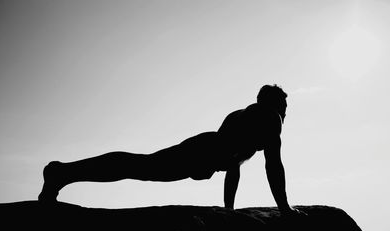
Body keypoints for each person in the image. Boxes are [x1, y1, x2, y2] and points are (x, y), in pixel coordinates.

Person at [39, 84, 302, 216]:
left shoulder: (242, 115)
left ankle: (62, 174)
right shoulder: (271, 117)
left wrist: (229, 211)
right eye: (286, 110)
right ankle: (61, 172)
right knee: (138, 166)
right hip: (200, 153)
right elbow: (273, 165)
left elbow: (232, 165)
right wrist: (285, 210)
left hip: (202, 148)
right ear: (278, 105)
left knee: (140, 166)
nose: (286, 116)